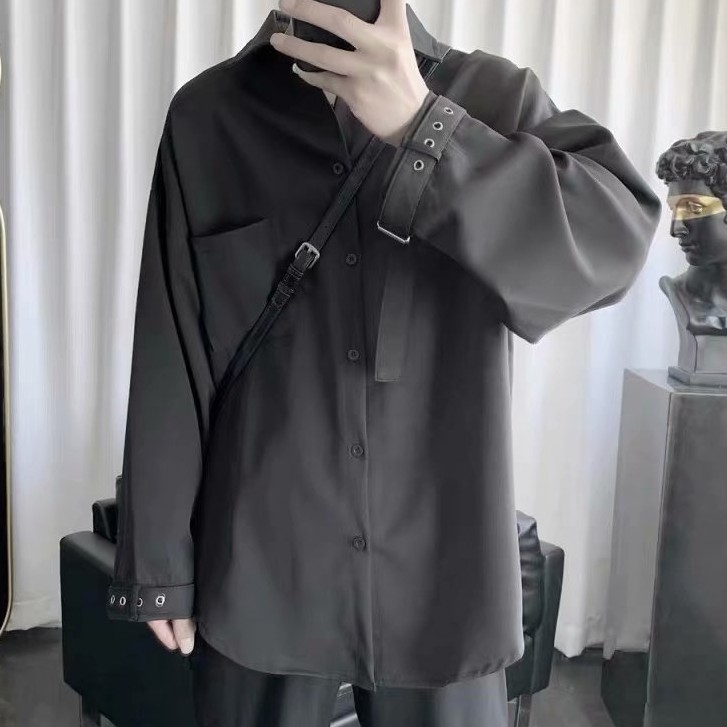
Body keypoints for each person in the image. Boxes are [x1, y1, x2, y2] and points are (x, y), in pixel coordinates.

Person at [105, 1, 662, 725]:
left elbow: (614, 242)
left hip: (444, 564)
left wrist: (425, 129)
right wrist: (158, 565)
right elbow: (171, 349)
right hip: (263, 563)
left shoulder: (492, 97)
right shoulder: (208, 119)